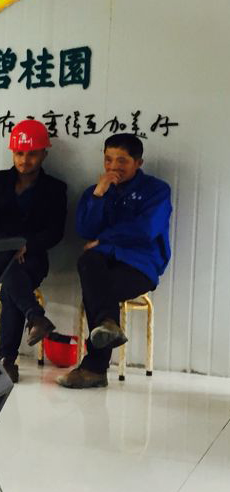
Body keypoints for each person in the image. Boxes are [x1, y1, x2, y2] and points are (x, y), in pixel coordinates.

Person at [58, 133, 172, 389]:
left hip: (139, 267)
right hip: (101, 264)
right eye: (108, 159)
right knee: (89, 262)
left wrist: (105, 241)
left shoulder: (156, 190)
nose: (113, 167)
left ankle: (95, 368)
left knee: (96, 289)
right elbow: (85, 230)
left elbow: (146, 229)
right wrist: (99, 194)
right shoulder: (97, 190)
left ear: (138, 163)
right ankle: (106, 327)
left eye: (122, 160)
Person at [0, 119, 68, 383]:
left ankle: (7, 359)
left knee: (11, 283)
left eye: (31, 154)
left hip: (33, 259)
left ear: (44, 155)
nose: (24, 160)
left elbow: (55, 231)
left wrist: (26, 245)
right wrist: (9, 245)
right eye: (19, 153)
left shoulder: (55, 189)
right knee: (10, 276)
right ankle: (34, 317)